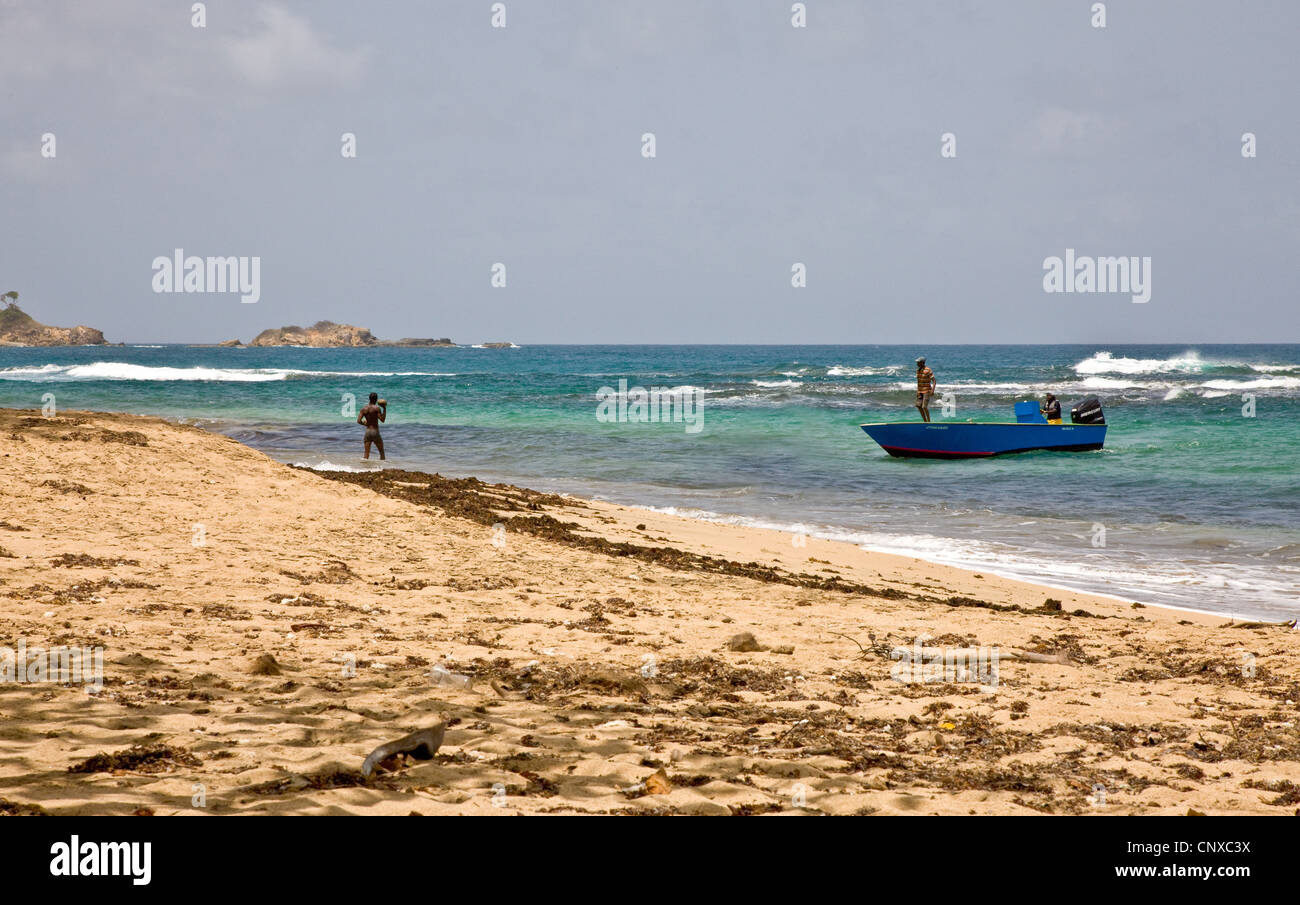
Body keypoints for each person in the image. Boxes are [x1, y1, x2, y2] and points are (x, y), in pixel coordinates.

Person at [358, 392, 387, 459]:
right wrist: (384, 409)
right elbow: (382, 420)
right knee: (381, 452)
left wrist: (365, 424)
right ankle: (382, 468)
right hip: (375, 432)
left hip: (368, 432)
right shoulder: (377, 408)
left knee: (366, 454)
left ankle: (364, 469)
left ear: (369, 399)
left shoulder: (363, 409)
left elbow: (359, 421)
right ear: (376, 399)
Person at [915, 357, 936, 422]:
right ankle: (925, 421)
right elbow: (919, 381)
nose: (917, 364)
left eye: (918, 362)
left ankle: (929, 421)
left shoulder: (928, 370)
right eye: (917, 362)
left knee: (924, 407)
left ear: (922, 363)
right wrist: (918, 391)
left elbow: (934, 381)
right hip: (920, 391)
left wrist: (932, 390)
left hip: (927, 391)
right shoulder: (918, 370)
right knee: (918, 406)